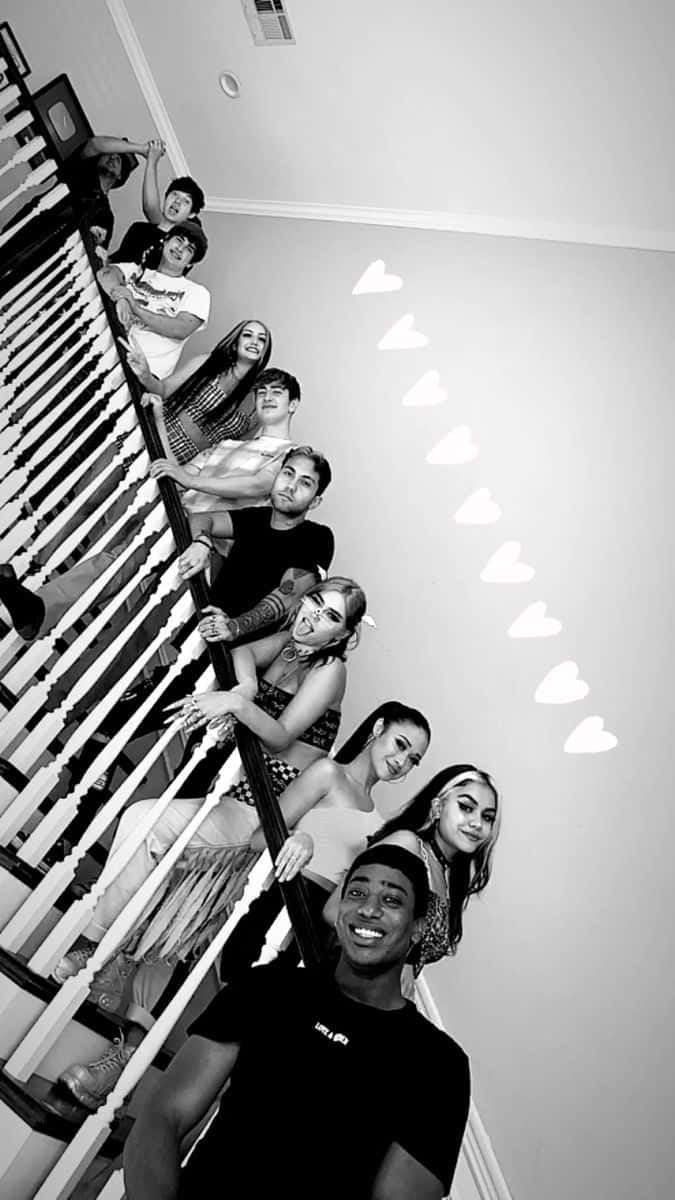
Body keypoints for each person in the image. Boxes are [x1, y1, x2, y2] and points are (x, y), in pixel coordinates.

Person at [55, 576, 367, 1110]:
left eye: (331, 616)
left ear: (344, 634)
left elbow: (281, 734)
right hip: (235, 801)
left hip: (263, 817)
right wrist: (243, 688)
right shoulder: (290, 643)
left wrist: (233, 702)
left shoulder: (330, 670)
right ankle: (110, 967)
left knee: (152, 837)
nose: (315, 616)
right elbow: (242, 649)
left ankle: (99, 952)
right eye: (315, 602)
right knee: (166, 894)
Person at [123, 845, 471, 1200]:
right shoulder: (268, 988)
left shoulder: (438, 1064)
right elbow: (163, 1117)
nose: (368, 909)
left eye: (392, 900)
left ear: (417, 928)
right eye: (356, 893)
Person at [218, 700, 432, 979]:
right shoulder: (328, 773)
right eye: (400, 744)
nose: (402, 762)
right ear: (379, 728)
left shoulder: (382, 827)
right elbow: (258, 840)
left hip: (317, 940)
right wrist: (299, 837)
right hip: (279, 910)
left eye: (413, 759)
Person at [366, 764, 500, 976]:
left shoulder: (448, 877)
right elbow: (337, 910)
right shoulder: (407, 845)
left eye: (488, 817)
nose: (477, 823)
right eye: (466, 807)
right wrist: (403, 960)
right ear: (437, 808)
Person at [148, 367, 301, 518]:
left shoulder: (294, 455)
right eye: (262, 393)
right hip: (171, 521)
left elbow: (256, 486)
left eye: (276, 392)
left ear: (292, 405)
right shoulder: (225, 445)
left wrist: (190, 481)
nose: (267, 398)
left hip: (204, 532)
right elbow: (177, 479)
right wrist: (158, 420)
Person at [127, 318, 272, 461]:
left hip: (175, 464)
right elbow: (163, 390)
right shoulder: (208, 363)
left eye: (261, 339)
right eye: (247, 335)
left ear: (264, 351)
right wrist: (146, 375)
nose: (254, 342)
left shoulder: (259, 404)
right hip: (150, 436)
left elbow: (231, 455)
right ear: (235, 344)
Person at [97, 221, 210, 379]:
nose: (180, 249)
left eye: (189, 249)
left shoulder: (196, 292)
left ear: (190, 262)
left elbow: (180, 329)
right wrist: (121, 298)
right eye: (179, 240)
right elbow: (105, 274)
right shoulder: (139, 270)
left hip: (140, 375)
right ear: (165, 241)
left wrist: (135, 308)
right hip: (105, 354)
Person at [110, 139, 205, 268]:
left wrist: (152, 161)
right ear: (166, 197)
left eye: (186, 201)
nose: (177, 201)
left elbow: (150, 207)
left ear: (192, 214)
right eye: (174, 194)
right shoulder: (138, 229)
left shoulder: (178, 251)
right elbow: (117, 259)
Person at [63, 134, 146, 249]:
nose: (112, 157)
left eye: (118, 160)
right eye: (109, 154)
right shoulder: (80, 168)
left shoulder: (106, 216)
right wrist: (141, 149)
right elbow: (95, 144)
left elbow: (98, 253)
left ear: (120, 175)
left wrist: (94, 240)